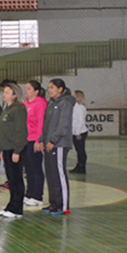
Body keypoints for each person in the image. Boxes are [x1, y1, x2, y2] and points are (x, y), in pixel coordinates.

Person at [41, 79, 75, 216]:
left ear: (60, 89)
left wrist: (53, 140)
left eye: (52, 87)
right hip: (49, 144)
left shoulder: (65, 103)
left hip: (59, 144)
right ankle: (54, 203)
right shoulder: (51, 103)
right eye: (49, 87)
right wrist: (43, 140)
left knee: (59, 174)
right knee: (51, 174)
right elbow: (46, 125)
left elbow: (63, 125)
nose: (49, 90)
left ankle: (63, 205)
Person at [0, 83, 29, 219]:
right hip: (7, 148)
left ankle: (17, 209)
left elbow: (20, 131)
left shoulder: (18, 109)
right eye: (4, 92)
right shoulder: (7, 108)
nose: (4, 95)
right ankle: (11, 205)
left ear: (15, 95)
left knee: (16, 179)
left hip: (15, 148)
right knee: (11, 179)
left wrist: (17, 151)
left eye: (7, 92)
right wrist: (2, 150)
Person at [24, 80, 47, 207]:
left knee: (35, 168)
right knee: (28, 168)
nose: (26, 91)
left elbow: (41, 123)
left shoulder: (41, 104)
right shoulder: (25, 104)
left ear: (36, 91)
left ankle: (38, 196)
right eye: (26, 88)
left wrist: (39, 140)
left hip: (35, 139)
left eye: (29, 88)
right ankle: (30, 193)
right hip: (26, 139)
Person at [71, 90, 88, 174]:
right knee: (78, 150)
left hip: (80, 132)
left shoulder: (80, 108)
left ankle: (82, 166)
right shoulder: (74, 107)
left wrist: (78, 133)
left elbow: (81, 121)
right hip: (75, 132)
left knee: (81, 150)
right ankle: (79, 165)